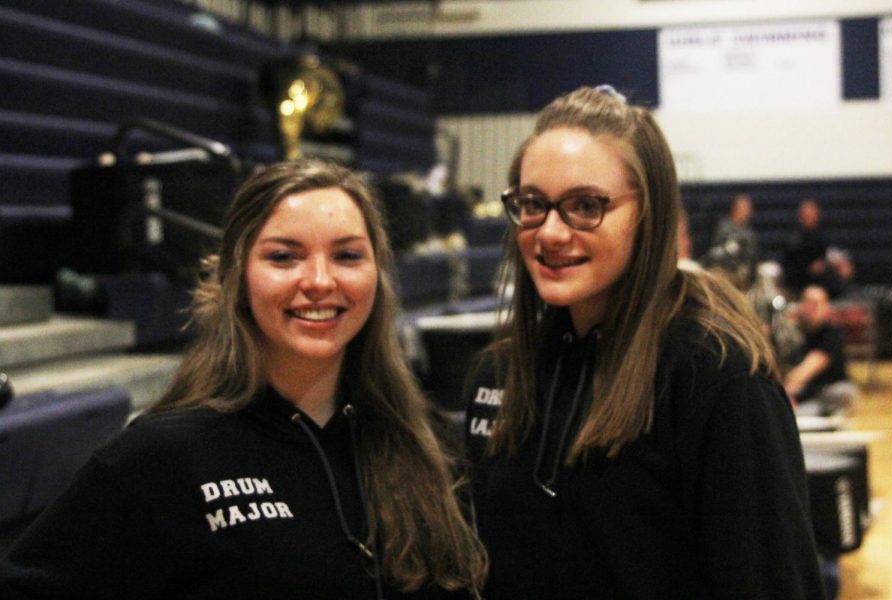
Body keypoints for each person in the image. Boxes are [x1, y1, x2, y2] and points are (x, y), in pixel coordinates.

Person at [0, 159, 487, 599]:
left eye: (347, 256)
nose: (319, 280)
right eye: (283, 257)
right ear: (238, 277)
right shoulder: (161, 456)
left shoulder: (427, 442)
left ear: (377, 277)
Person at [464, 86, 825, 599]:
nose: (549, 232)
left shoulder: (716, 377)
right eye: (532, 204)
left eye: (585, 205)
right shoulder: (497, 375)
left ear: (648, 215)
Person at [785, 285, 857, 415]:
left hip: (828, 392)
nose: (810, 308)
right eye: (807, 303)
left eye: (815, 304)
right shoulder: (794, 334)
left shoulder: (831, 333)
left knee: (844, 392)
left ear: (826, 307)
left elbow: (810, 367)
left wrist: (785, 391)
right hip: (804, 394)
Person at [783, 199, 853, 298]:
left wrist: (836, 264)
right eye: (805, 215)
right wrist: (810, 267)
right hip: (802, 281)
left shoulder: (825, 235)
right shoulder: (794, 239)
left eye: (811, 214)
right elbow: (791, 265)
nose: (808, 217)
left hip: (825, 278)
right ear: (800, 217)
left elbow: (834, 253)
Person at [704, 193, 758, 289]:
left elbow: (752, 256)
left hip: (743, 272)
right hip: (724, 270)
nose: (749, 212)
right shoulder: (724, 228)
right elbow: (716, 253)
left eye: (749, 209)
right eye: (745, 208)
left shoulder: (749, 233)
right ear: (735, 209)